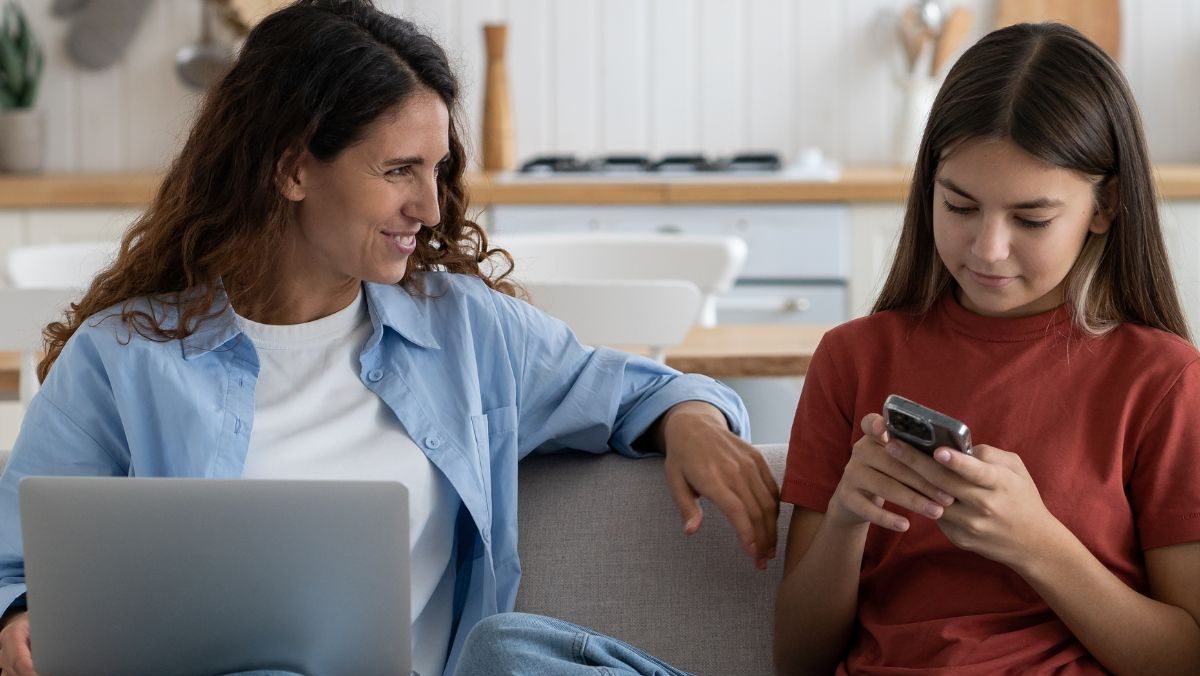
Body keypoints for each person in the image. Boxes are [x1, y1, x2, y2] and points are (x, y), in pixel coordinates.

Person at [0, 2, 779, 675]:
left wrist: (694, 421)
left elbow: (640, 387)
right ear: (292, 169)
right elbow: (15, 563)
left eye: (437, 171)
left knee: (509, 650)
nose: (431, 208)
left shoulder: (465, 330)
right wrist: (17, 619)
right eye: (399, 170)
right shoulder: (122, 360)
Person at [774, 22, 1200, 676]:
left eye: (1030, 219)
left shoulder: (1163, 380)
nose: (987, 248)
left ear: (1105, 206)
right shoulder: (852, 358)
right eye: (960, 205)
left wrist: (1038, 545)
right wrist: (845, 521)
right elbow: (796, 660)